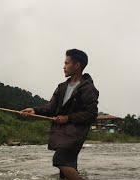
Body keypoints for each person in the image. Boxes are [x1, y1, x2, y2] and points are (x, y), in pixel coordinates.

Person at [20, 49, 99, 180]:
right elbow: (51, 107)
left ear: (77, 65)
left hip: (75, 134)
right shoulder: (61, 87)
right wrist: (34, 110)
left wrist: (68, 118)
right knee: (66, 173)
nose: (64, 66)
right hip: (61, 134)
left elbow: (92, 114)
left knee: (60, 159)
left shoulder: (88, 89)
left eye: (67, 63)